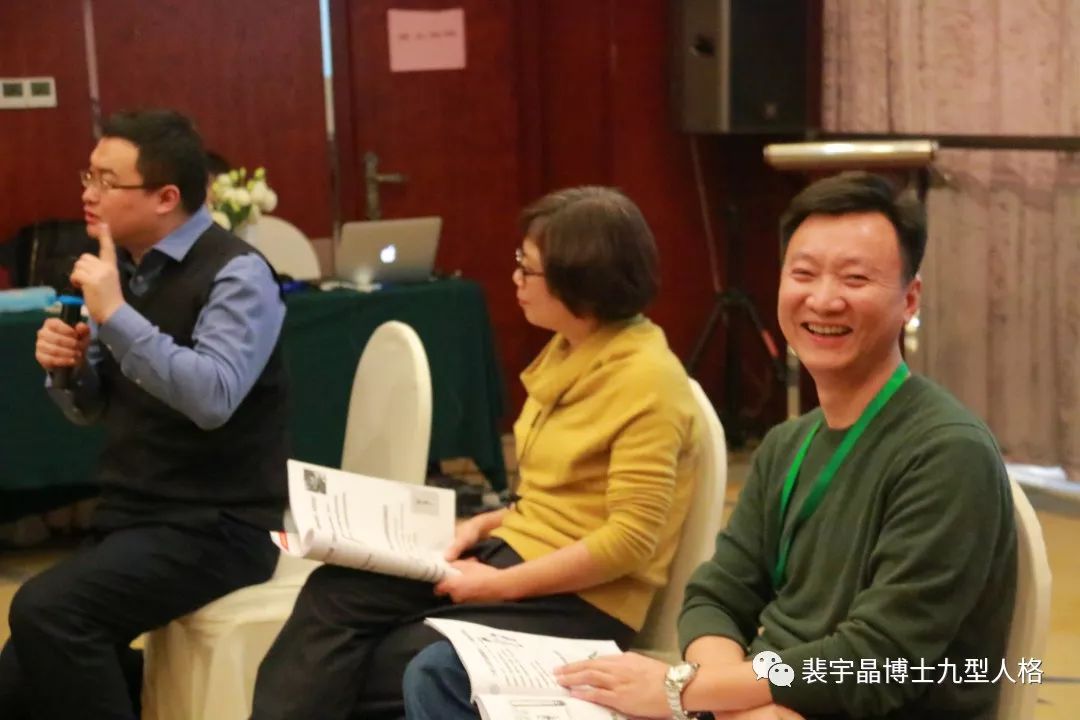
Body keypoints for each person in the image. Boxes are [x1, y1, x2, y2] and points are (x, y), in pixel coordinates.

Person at [412, 172, 1018, 720]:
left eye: (855, 279)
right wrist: (716, 691)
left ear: (909, 300)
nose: (824, 299)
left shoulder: (946, 453)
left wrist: (691, 691)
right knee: (446, 676)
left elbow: (876, 662)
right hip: (748, 698)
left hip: (840, 707)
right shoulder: (789, 443)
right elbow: (715, 594)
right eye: (804, 274)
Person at [249, 186, 703, 720]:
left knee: (386, 660)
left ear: (580, 280)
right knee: (336, 594)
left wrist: (499, 585)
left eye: (527, 268)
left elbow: (628, 542)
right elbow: (562, 498)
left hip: (586, 600)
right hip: (518, 554)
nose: (516, 278)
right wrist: (484, 524)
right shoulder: (572, 347)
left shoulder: (647, 380)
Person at [0, 109, 289, 720]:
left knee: (45, 611)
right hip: (136, 514)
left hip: (220, 525)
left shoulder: (238, 273)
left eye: (107, 181)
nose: (88, 193)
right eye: (88, 175)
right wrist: (68, 369)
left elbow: (213, 398)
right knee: (19, 674)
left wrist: (116, 315)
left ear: (166, 197)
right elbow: (92, 409)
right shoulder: (125, 269)